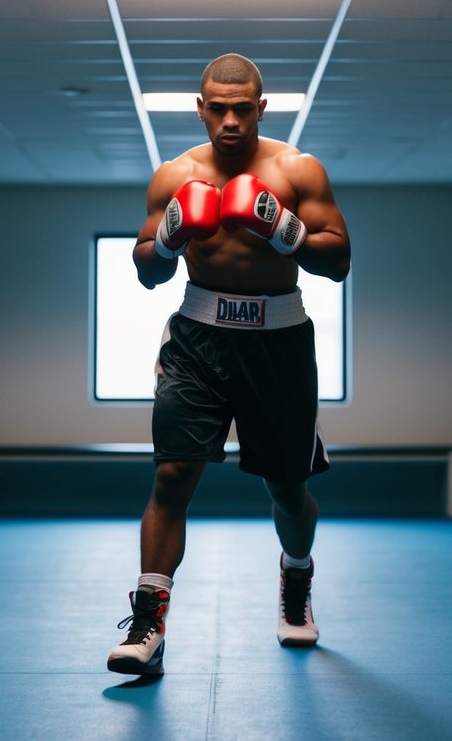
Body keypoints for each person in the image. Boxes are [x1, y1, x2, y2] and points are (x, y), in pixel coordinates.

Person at [107, 54, 351, 676]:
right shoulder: (174, 174)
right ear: (200, 107)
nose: (231, 120)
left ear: (262, 108)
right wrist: (167, 237)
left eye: (243, 109)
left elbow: (339, 258)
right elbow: (145, 271)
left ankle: (296, 582)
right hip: (197, 340)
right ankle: (148, 627)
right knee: (171, 477)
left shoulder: (298, 169)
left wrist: (283, 229)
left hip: (280, 342)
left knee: (288, 487)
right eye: (218, 108)